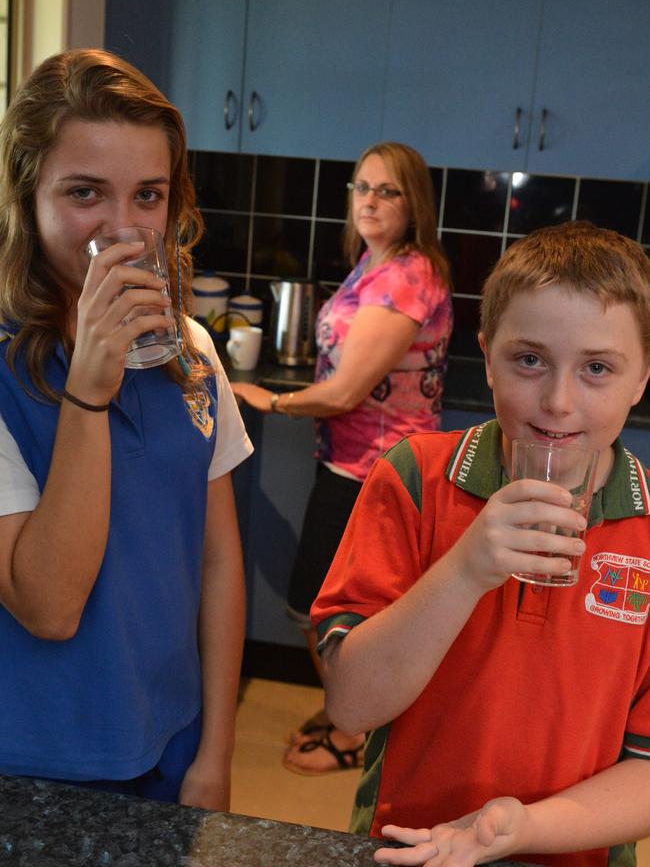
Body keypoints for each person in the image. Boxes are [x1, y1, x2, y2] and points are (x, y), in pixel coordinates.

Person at [312, 221, 650, 866]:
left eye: (598, 368)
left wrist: (520, 829)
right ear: (486, 356)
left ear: (641, 380)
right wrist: (465, 570)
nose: (557, 401)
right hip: (407, 845)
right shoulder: (414, 478)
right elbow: (352, 707)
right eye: (529, 360)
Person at [0, 49, 252, 809]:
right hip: (39, 760)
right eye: (85, 193)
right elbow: (48, 605)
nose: (124, 229)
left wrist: (215, 751)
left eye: (148, 196)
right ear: (26, 194)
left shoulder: (192, 349)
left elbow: (217, 561)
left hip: (171, 742)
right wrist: (88, 391)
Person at [231, 142, 452, 774]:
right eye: (361, 188)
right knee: (337, 607)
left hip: (376, 471)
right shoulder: (375, 264)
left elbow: (348, 391)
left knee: (322, 605)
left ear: (414, 204)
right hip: (355, 463)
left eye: (388, 191)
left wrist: (270, 402)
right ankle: (349, 713)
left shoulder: (407, 275)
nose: (370, 201)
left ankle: (352, 731)